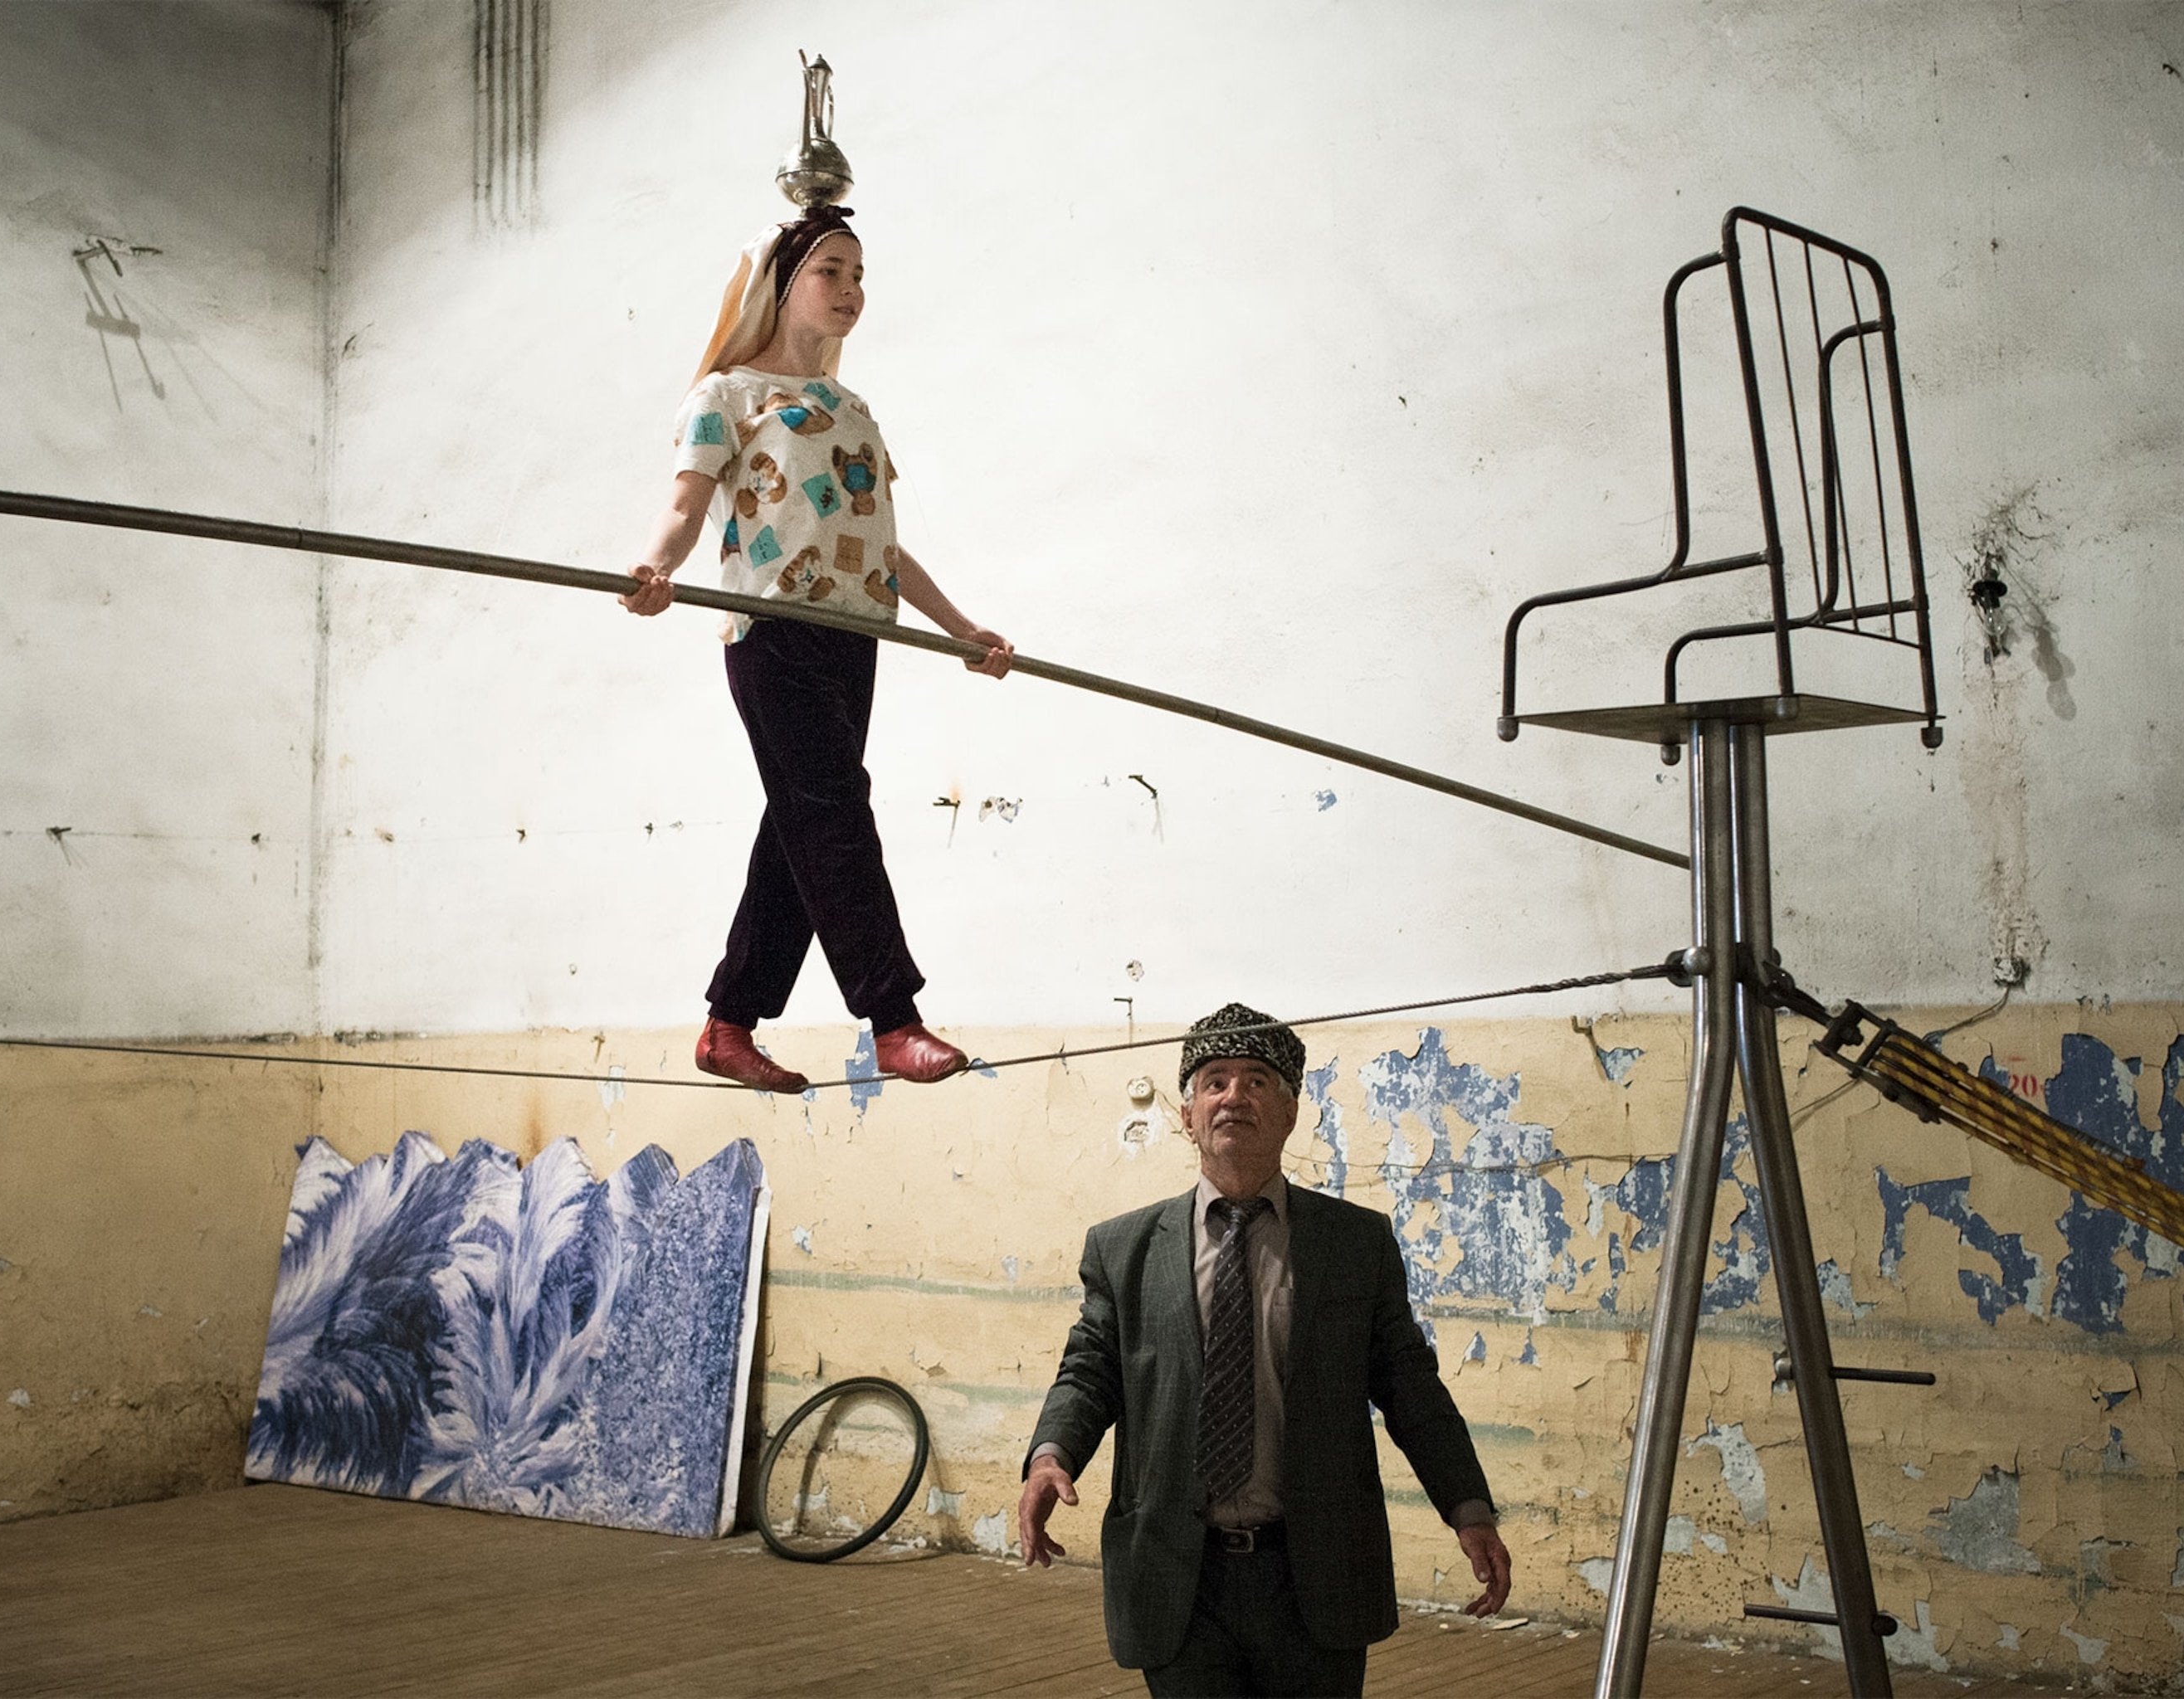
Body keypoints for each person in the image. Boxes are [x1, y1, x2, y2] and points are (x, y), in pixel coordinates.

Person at [619, 201, 1012, 1089]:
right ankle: (892, 1016)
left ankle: (729, 1022)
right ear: (782, 284)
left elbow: (879, 543)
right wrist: (654, 567)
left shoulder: (851, 408)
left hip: (853, 636)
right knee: (833, 811)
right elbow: (685, 508)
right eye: (830, 271)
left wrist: (960, 629)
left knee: (799, 826)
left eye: (859, 274)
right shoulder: (724, 397)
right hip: (773, 631)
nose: (849, 290)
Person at [1018, 1004, 1514, 1697]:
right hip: (1177, 1575)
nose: (1233, 1096)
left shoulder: (1354, 1244)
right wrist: (1050, 1457)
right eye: (1213, 1081)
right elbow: (1089, 1373)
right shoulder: (1123, 1248)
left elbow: (1411, 1388)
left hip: (1315, 1573)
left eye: (1257, 1080)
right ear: (1187, 1114)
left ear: (1289, 1111)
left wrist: (1469, 1509)